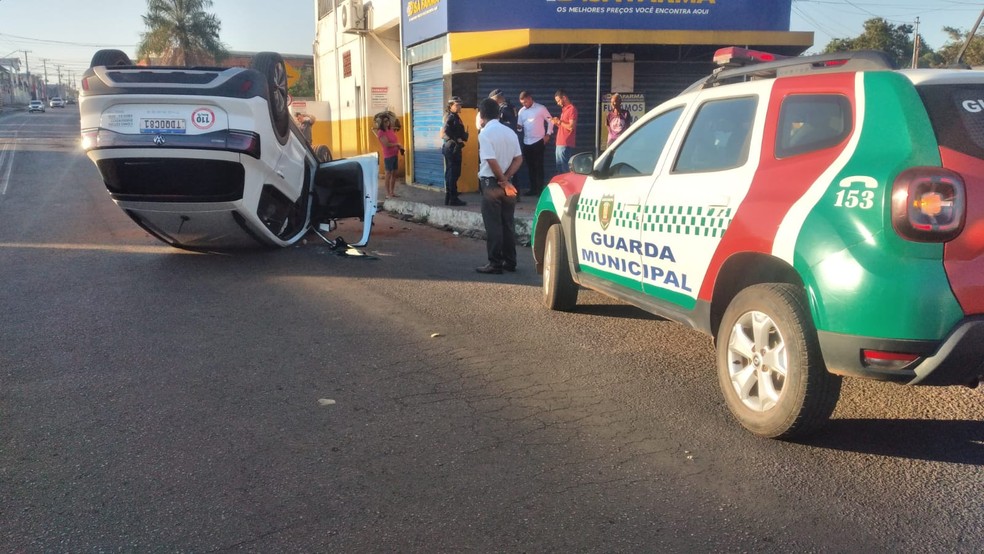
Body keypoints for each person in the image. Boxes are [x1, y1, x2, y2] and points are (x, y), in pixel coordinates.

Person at [476, 97, 523, 275]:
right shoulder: (510, 132)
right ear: (498, 114)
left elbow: (491, 160)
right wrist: (507, 179)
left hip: (491, 183)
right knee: (507, 224)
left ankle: (495, 263)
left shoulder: (485, 134)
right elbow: (518, 158)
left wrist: (502, 180)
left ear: (482, 115)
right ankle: (510, 261)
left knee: (493, 225)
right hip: (508, 185)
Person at [516, 90, 554, 197]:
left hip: (538, 141)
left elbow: (550, 121)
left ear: (530, 98)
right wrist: (518, 127)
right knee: (530, 167)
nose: (524, 104)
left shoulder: (541, 108)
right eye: (522, 103)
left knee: (539, 166)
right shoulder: (521, 111)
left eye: (525, 102)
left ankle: (540, 190)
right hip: (526, 142)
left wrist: (548, 134)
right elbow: (519, 127)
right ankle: (533, 189)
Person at [440, 96, 469, 206]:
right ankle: (452, 198)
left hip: (452, 147)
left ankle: (450, 196)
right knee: (453, 173)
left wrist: (463, 136)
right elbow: (446, 131)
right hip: (452, 148)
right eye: (457, 105)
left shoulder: (455, 117)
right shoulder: (450, 117)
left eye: (460, 105)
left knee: (452, 173)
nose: (459, 107)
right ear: (451, 106)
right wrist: (457, 139)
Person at [375, 115, 404, 199]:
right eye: (385, 121)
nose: (387, 123)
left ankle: (392, 192)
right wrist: (397, 144)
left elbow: (394, 140)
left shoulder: (390, 130)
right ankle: (388, 193)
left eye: (388, 121)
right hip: (388, 156)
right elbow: (386, 144)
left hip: (395, 154)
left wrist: (399, 147)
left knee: (394, 174)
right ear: (381, 123)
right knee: (388, 174)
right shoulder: (381, 132)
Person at [550, 89, 577, 174]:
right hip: (560, 143)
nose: (558, 103)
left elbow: (571, 127)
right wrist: (556, 122)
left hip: (566, 143)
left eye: (558, 101)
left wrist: (559, 122)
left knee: (564, 168)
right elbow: (564, 126)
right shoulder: (564, 110)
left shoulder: (572, 109)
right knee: (559, 168)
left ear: (564, 98)